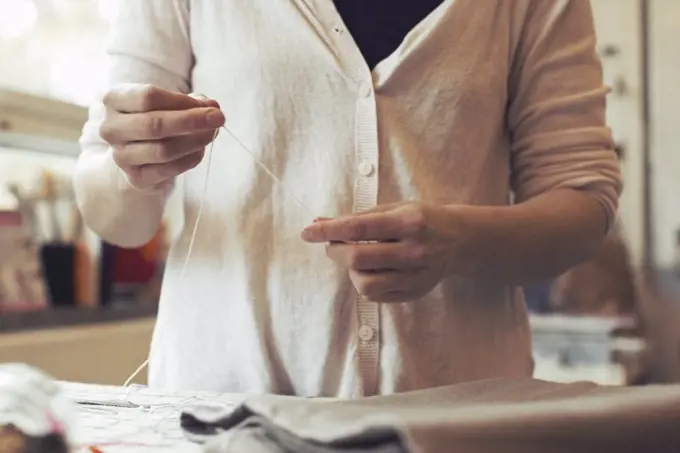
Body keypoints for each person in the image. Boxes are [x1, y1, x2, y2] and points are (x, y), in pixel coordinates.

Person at [74, 0, 622, 397]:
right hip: (225, 416)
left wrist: (458, 243)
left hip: (455, 417)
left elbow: (582, 200)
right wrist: (133, 165)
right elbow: (117, 219)